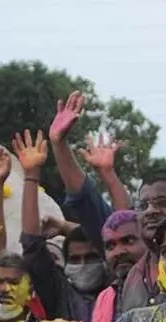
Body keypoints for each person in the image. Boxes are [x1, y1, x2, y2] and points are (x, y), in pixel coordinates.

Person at [15, 129, 109, 322]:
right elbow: (32, 245)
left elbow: (117, 233)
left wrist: (65, 226)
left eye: (91, 257)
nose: (83, 265)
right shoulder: (58, 293)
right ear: (65, 264)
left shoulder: (118, 290)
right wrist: (31, 175)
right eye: (75, 259)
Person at [49, 91, 133, 253]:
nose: (120, 251)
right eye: (111, 245)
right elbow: (84, 198)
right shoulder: (114, 241)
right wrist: (59, 144)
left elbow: (127, 226)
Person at [92, 209, 149, 322]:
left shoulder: (165, 290)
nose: (118, 252)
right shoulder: (105, 297)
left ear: (149, 242)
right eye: (110, 246)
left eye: (128, 241)